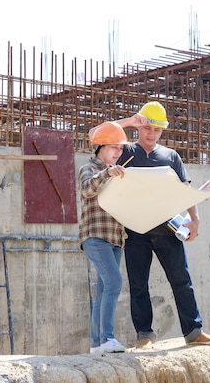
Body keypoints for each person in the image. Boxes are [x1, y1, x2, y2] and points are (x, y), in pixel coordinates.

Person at [104, 101, 210, 349]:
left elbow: (185, 189)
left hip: (168, 228)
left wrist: (195, 219)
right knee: (138, 285)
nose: (151, 133)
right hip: (135, 229)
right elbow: (98, 134)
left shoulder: (171, 157)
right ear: (140, 126)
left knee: (182, 281)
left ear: (162, 131)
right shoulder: (124, 152)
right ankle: (144, 335)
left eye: (157, 130)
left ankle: (193, 331)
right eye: (147, 128)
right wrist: (127, 121)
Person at [79, 121, 129, 354]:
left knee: (103, 289)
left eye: (120, 148)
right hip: (95, 236)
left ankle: (97, 344)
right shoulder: (89, 169)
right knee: (114, 283)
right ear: (100, 147)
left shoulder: (120, 172)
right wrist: (107, 173)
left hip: (115, 237)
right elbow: (87, 189)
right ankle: (108, 338)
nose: (118, 152)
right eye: (113, 147)